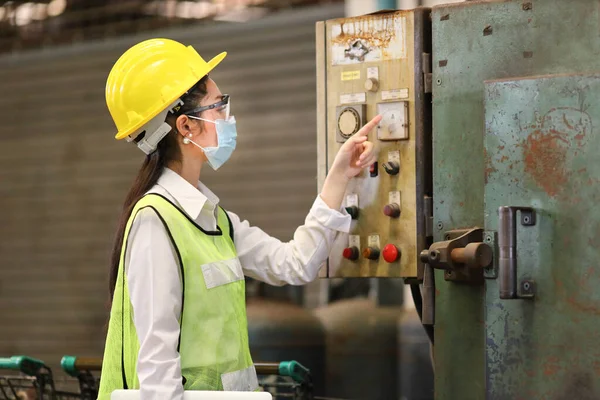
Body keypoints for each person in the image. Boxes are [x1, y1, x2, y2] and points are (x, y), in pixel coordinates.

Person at [97, 38, 382, 400]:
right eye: (219, 108)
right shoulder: (156, 222)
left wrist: (339, 176)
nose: (229, 119)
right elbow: (156, 365)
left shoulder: (215, 221)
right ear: (186, 126)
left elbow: (295, 264)